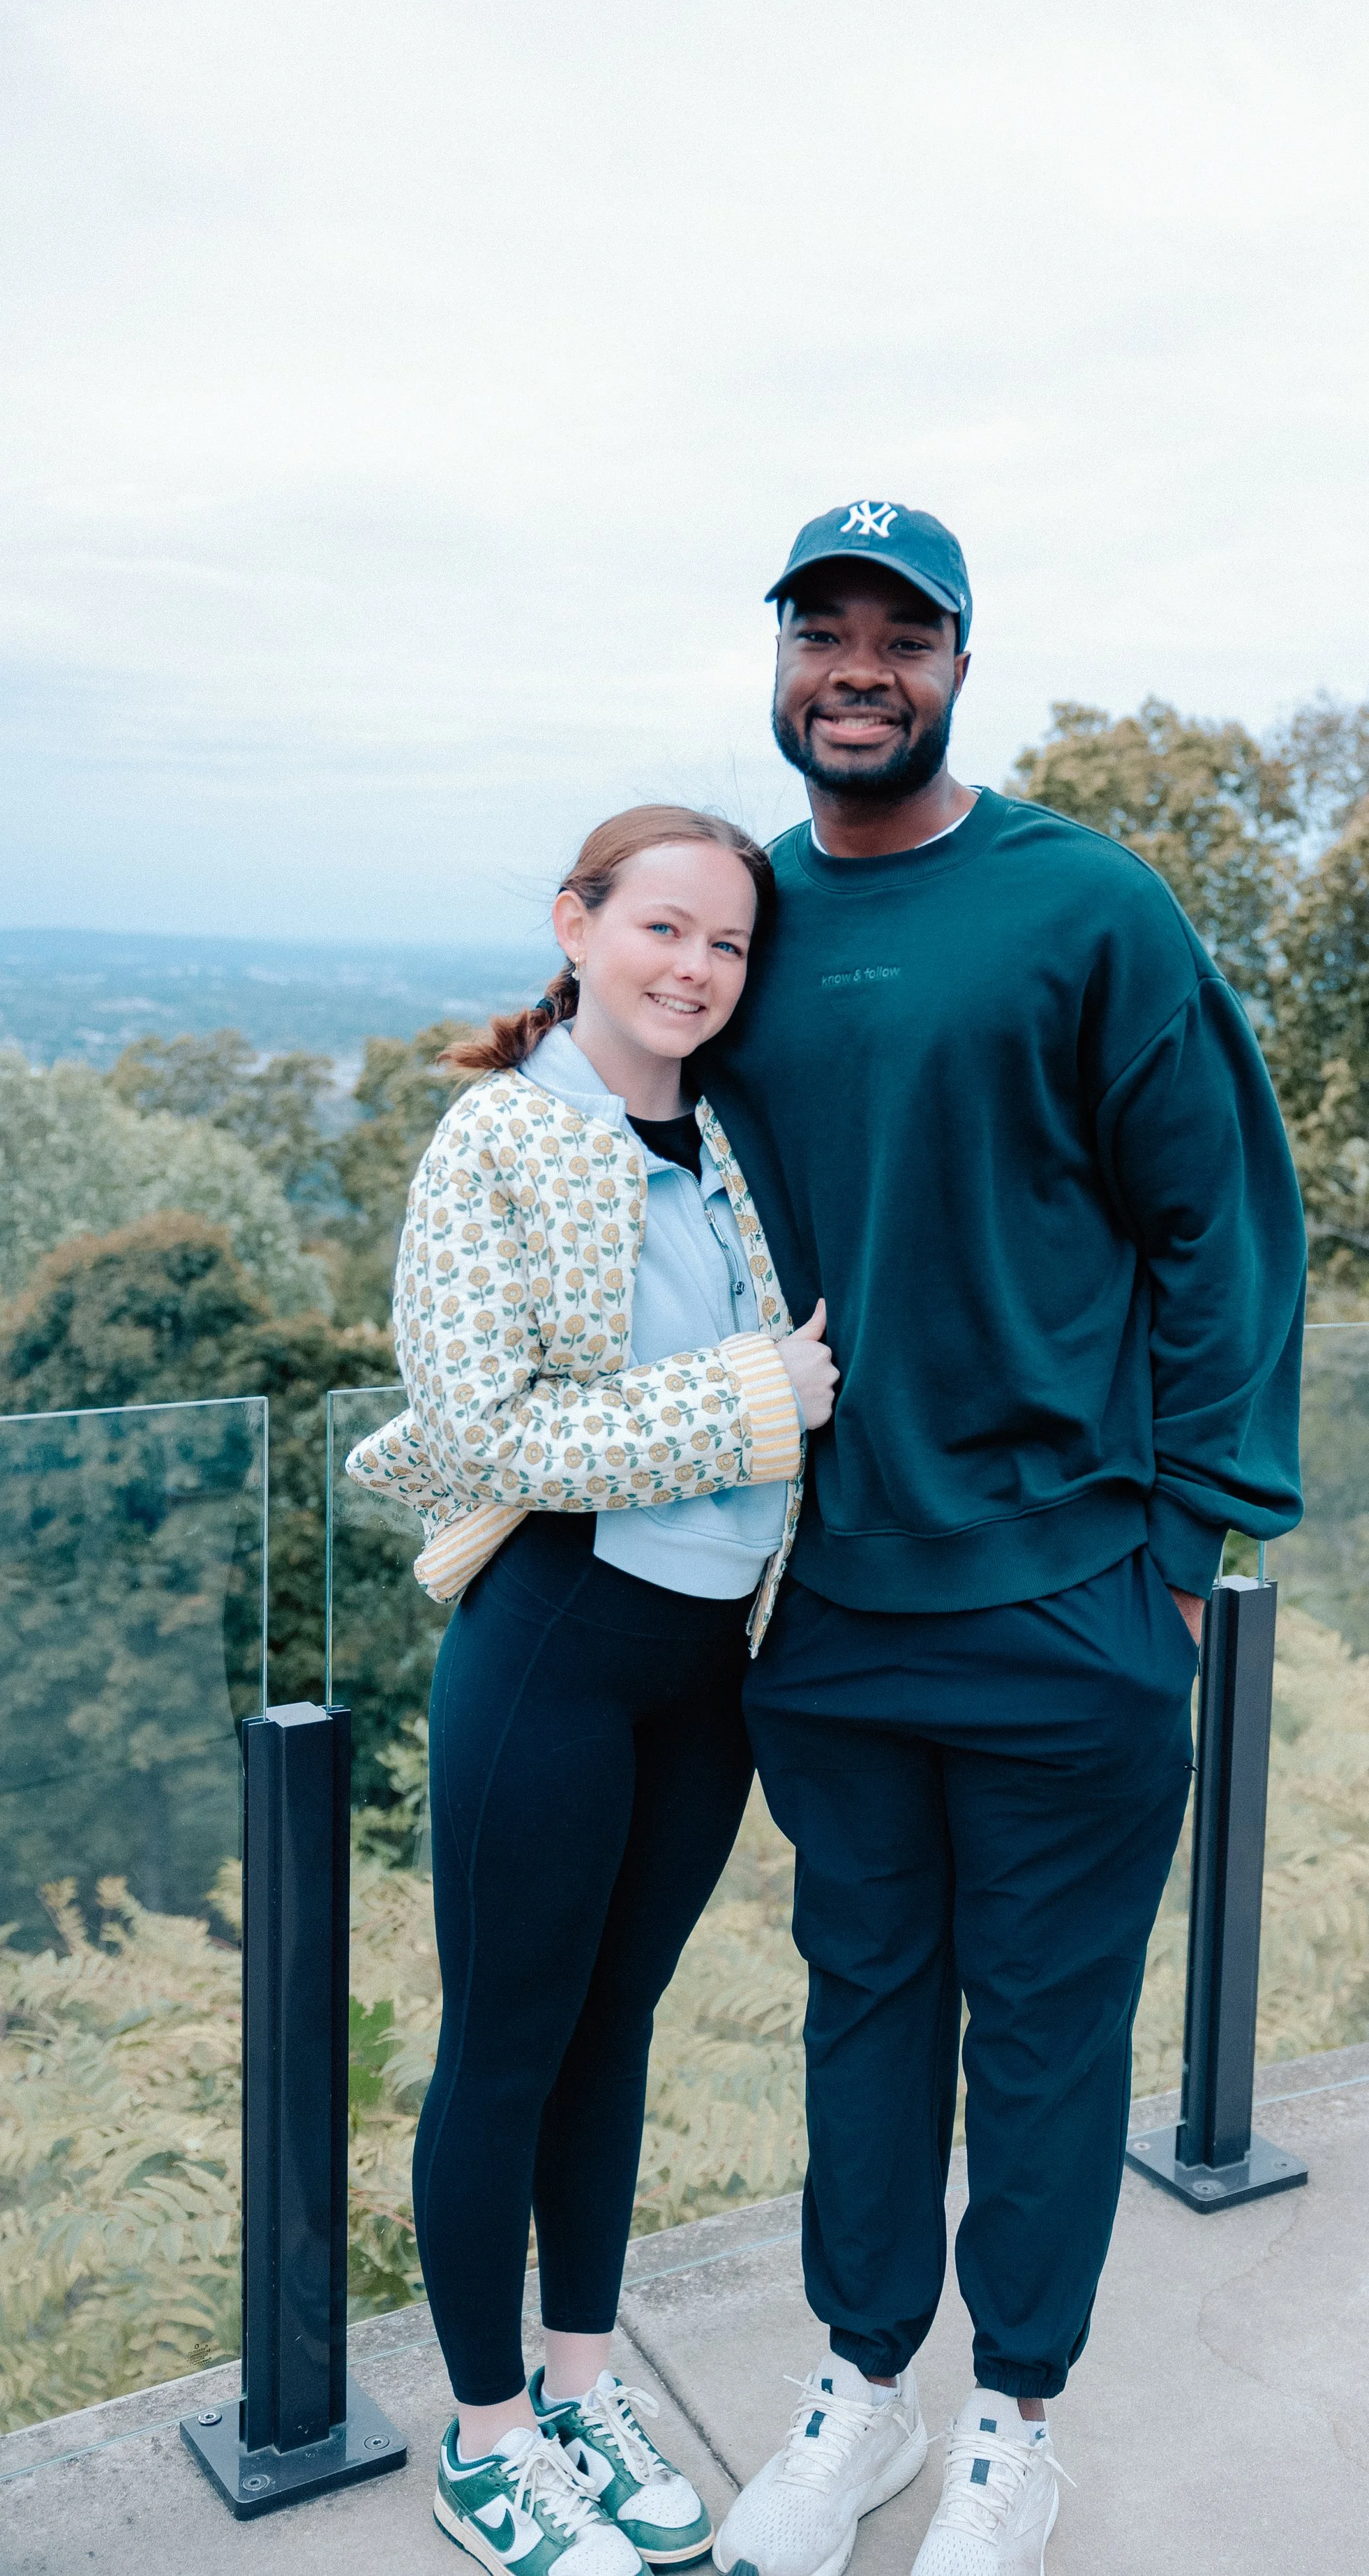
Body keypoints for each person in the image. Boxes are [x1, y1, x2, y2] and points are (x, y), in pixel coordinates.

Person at [697, 507, 1307, 2576]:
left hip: (1070, 1593)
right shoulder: (737, 921)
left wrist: (1178, 1542)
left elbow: (1212, 1224)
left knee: (1049, 2033)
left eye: (901, 634)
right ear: (778, 661)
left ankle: (1010, 2425)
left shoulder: (1085, 903)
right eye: (821, 630)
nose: (856, 666)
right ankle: (861, 2389)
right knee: (862, 2008)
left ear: (960, 663)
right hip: (828, 1604)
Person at [347, 804, 839, 2576]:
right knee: (505, 2051)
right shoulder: (496, 1138)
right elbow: (480, 1434)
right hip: (554, 1651)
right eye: (661, 928)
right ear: (576, 925)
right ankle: (486, 2444)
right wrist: (750, 1399)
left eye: (726, 944)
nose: (694, 967)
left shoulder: (729, 1140)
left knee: (611, 2034)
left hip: (708, 1670)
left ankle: (575, 2384)